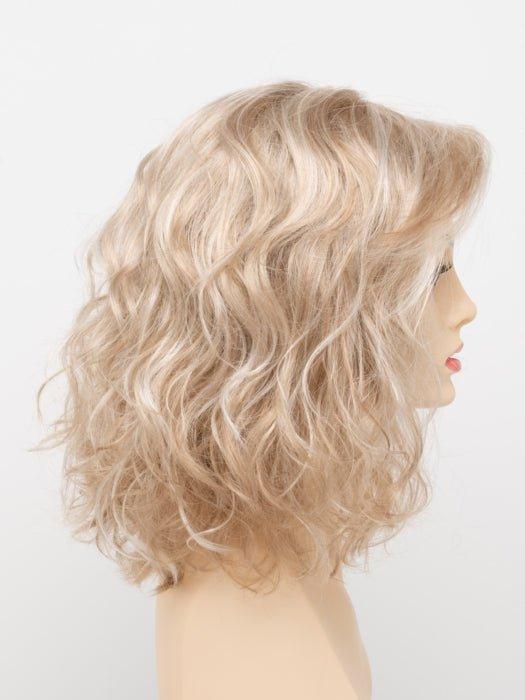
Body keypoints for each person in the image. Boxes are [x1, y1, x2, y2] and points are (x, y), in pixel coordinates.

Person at [33, 80, 491, 699]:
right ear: (310, 303)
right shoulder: (259, 637)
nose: (465, 306)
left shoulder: (280, 562)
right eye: (432, 271)